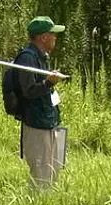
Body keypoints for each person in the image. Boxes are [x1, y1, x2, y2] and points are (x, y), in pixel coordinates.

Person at [13, 16, 69, 188]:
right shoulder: (27, 58)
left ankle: (48, 204)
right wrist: (49, 82)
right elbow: (28, 91)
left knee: (53, 168)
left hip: (48, 120)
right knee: (41, 172)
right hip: (37, 123)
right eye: (53, 34)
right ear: (43, 37)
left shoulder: (42, 56)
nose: (55, 38)